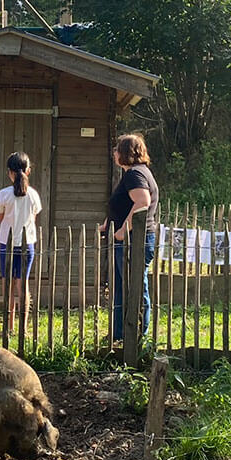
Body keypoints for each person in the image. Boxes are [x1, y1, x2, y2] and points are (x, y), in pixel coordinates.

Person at [101, 133, 159, 343]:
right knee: (121, 286)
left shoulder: (135, 174)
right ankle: (119, 334)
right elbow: (125, 203)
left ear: (126, 153)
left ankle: (138, 335)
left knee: (134, 285)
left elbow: (142, 202)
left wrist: (123, 230)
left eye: (118, 149)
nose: (114, 152)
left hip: (134, 241)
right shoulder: (134, 173)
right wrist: (109, 223)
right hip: (128, 240)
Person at [0, 152, 42, 332]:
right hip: (27, 243)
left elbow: (1, 217)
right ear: (28, 171)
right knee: (23, 283)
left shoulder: (4, 194)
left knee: (8, 284)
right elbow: (34, 216)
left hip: (7, 242)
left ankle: (9, 326)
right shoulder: (33, 195)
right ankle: (23, 327)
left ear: (10, 172)